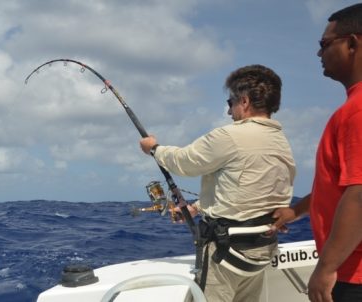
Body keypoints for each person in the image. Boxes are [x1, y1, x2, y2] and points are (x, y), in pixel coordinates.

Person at [139, 64, 296, 302]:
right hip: (261, 249)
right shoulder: (280, 140)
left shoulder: (230, 136)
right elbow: (246, 192)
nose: (229, 111)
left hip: (227, 253)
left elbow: (185, 162)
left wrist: (154, 149)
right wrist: (198, 207)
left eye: (230, 103)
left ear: (243, 101)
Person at [271, 4, 362, 302]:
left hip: (353, 276)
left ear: (352, 43)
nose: (318, 54)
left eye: (324, 44)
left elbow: (359, 193)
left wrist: (326, 267)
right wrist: (295, 211)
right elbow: (339, 185)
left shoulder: (356, 111)